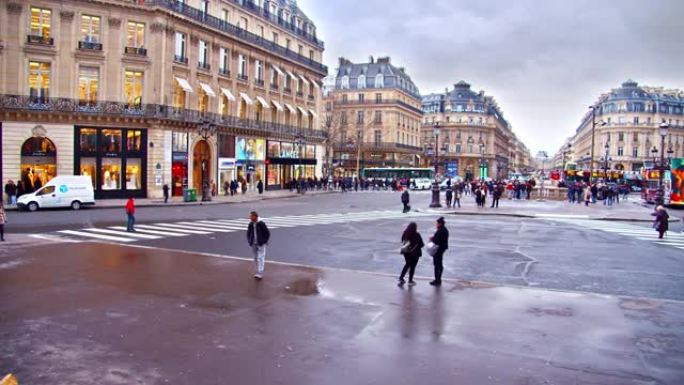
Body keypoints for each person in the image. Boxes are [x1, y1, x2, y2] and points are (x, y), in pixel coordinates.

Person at [246, 211, 270, 279]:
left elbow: (267, 233)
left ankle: (260, 272)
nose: (250, 217)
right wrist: (249, 240)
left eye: (251, 216)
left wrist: (264, 241)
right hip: (253, 243)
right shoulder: (251, 224)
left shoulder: (261, 223)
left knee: (261, 258)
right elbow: (248, 232)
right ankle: (257, 271)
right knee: (255, 258)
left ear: (255, 216)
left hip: (260, 243)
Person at [398, 222, 424, 286]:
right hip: (414, 253)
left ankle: (401, 277)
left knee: (407, 264)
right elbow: (421, 244)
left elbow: (402, 241)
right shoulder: (417, 235)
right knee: (412, 267)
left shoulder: (405, 233)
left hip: (406, 252)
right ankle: (410, 280)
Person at [429, 217, 449, 286]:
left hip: (439, 249)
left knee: (437, 264)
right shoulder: (443, 229)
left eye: (437, 223)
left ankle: (437, 280)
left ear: (440, 224)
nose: (436, 224)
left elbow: (437, 240)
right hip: (441, 249)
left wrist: (432, 239)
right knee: (438, 264)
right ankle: (438, 279)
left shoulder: (441, 230)